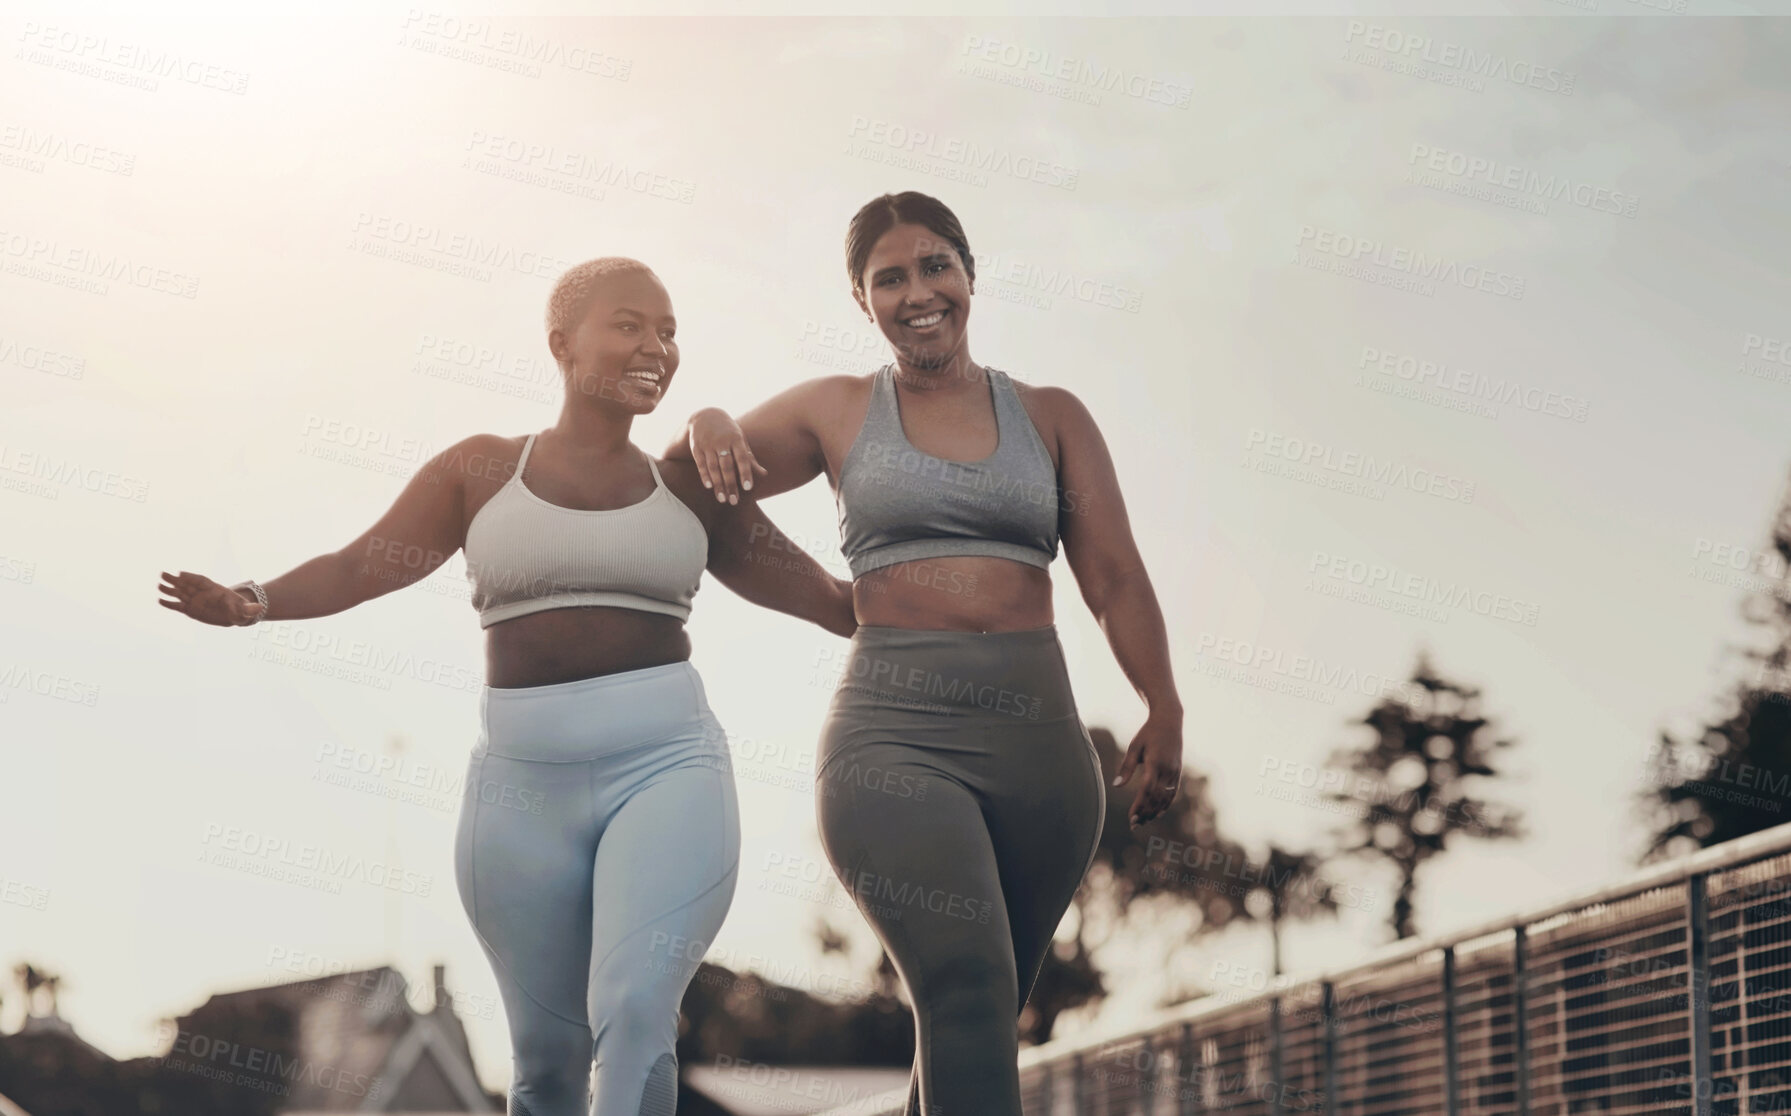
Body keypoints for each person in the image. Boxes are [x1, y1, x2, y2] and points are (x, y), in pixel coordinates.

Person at [159, 257, 857, 1116]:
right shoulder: (482, 470)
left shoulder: (690, 488)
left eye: (670, 330)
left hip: (667, 768)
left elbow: (834, 603)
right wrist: (253, 601)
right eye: (630, 324)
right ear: (562, 343)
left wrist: (975, 586)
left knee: (636, 1015)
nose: (657, 345)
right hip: (520, 792)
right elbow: (359, 566)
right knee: (544, 1065)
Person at [664, 192, 1184, 1114]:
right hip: (893, 743)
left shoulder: (1053, 416)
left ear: (970, 275)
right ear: (861, 302)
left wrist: (1163, 702)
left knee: (969, 1027)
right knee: (970, 994)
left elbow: (1113, 576)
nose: (917, 291)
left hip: (1044, 758)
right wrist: (707, 423)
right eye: (888, 278)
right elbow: (694, 495)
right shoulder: (832, 409)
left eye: (935, 264)